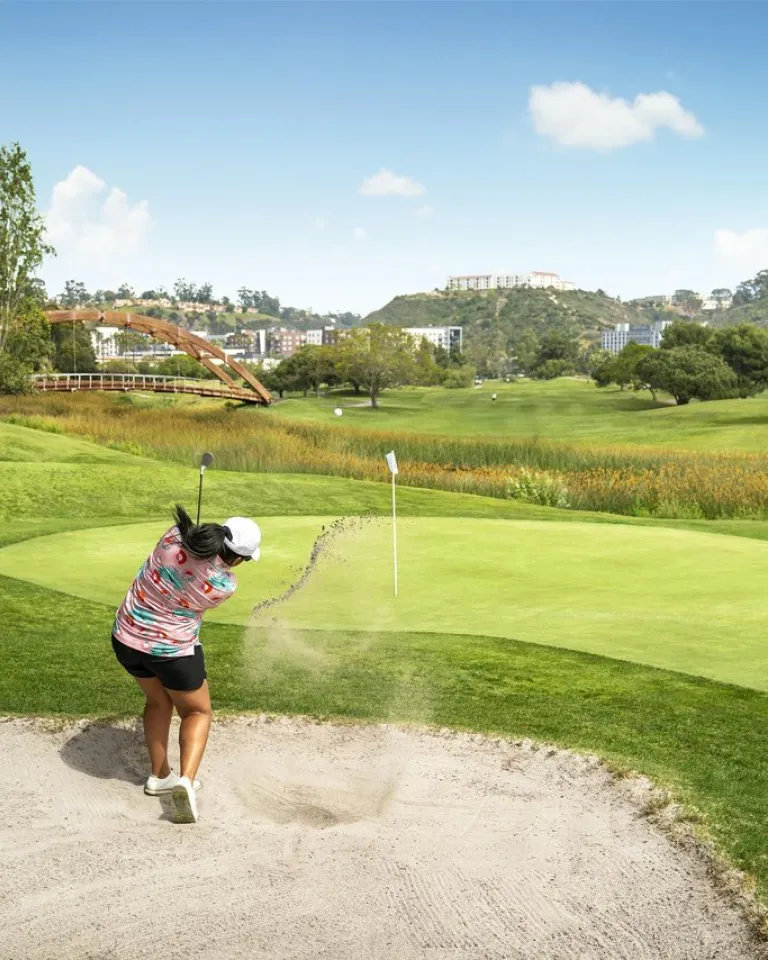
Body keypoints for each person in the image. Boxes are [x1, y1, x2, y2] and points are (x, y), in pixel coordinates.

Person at [111, 504, 261, 824]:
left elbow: (187, 540)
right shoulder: (224, 585)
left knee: (157, 701)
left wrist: (193, 532)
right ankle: (186, 781)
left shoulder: (174, 536)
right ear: (237, 558)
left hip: (126, 638)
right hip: (173, 653)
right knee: (196, 711)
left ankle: (159, 776)